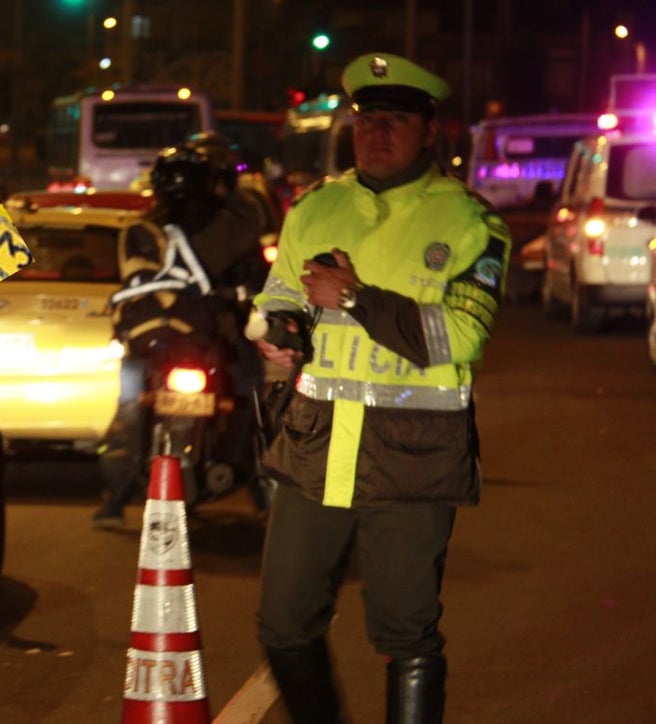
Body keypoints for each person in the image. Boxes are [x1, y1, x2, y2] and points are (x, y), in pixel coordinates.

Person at [248, 53, 511, 723]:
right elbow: (279, 293)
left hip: (412, 459)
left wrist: (359, 297)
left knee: (405, 633)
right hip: (315, 450)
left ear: (429, 130)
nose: (378, 133)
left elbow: (461, 337)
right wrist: (276, 326)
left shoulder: (470, 221)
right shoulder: (317, 206)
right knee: (282, 622)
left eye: (396, 120)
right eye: (367, 120)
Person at [92, 132, 272, 527]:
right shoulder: (227, 223)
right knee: (251, 396)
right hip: (190, 340)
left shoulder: (148, 227)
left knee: (247, 396)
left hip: (175, 340)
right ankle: (262, 491)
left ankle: (115, 499)